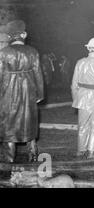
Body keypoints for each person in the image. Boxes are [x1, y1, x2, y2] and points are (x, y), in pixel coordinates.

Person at [0, 20, 44, 162]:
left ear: (9, 36)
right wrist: (40, 94)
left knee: (9, 127)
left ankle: (9, 162)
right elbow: (38, 74)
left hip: (8, 94)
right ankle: (33, 157)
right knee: (29, 123)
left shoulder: (3, 53)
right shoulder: (33, 51)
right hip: (29, 93)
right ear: (23, 34)